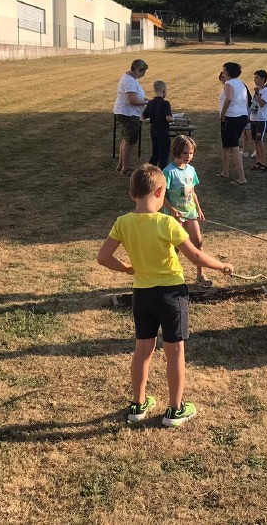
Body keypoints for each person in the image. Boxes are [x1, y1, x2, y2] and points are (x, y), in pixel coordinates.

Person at [97, 164, 233, 428]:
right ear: (160, 192)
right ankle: (175, 409)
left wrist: (127, 268)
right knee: (175, 351)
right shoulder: (167, 222)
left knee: (142, 350)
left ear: (132, 194)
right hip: (171, 295)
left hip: (142, 295)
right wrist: (221, 266)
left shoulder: (122, 222)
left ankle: (138, 405)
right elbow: (195, 255)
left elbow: (103, 257)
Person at [162, 135, 212, 287]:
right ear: (177, 151)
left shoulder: (191, 170)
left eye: (191, 153)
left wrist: (198, 209)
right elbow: (161, 196)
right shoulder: (169, 171)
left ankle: (200, 275)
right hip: (175, 216)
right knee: (175, 246)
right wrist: (172, 210)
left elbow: (192, 191)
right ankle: (171, 275)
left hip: (190, 213)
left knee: (198, 242)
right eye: (185, 153)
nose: (188, 156)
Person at [113, 59, 149, 175]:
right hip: (128, 114)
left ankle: (120, 165)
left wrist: (146, 100)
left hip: (124, 112)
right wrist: (147, 103)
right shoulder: (130, 81)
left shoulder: (129, 78)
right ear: (138, 70)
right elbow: (131, 101)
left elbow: (135, 97)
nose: (143, 75)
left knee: (126, 140)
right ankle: (125, 168)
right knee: (129, 142)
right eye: (143, 72)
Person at [218, 62, 249, 185]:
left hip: (232, 117)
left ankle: (242, 178)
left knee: (234, 146)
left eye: (224, 71)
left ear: (228, 72)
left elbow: (229, 98)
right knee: (226, 145)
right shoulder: (241, 83)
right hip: (242, 116)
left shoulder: (229, 83)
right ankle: (225, 171)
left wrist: (223, 114)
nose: (222, 72)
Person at [143, 80, 172, 169]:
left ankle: (149, 170)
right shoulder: (165, 103)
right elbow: (168, 118)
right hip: (163, 131)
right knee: (164, 153)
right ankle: (162, 171)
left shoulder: (150, 103)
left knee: (155, 153)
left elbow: (143, 116)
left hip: (153, 131)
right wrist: (173, 119)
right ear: (164, 90)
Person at [249, 69, 267, 172]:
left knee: (260, 141)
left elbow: (262, 104)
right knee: (255, 141)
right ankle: (258, 161)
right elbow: (253, 104)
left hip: (261, 120)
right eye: (254, 78)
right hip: (253, 118)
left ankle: (263, 164)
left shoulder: (265, 92)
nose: (255, 80)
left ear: (263, 79)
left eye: (257, 78)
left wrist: (257, 93)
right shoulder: (257, 91)